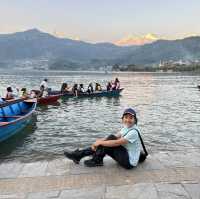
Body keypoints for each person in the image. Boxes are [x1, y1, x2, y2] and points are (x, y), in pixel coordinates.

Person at [64, 108, 141, 169]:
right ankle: (84, 156)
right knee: (110, 138)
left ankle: (84, 157)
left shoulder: (133, 132)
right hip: (125, 154)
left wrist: (100, 143)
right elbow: (115, 136)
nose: (128, 120)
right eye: (126, 117)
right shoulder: (126, 127)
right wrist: (98, 141)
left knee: (107, 142)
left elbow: (117, 142)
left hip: (129, 163)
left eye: (131, 118)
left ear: (135, 120)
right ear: (122, 118)